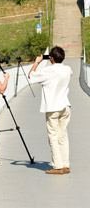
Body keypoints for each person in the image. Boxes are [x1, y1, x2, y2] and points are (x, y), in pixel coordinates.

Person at [28, 45, 72, 175]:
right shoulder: (68, 69)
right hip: (65, 106)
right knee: (62, 136)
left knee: (52, 137)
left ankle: (57, 166)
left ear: (51, 58)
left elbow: (31, 77)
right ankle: (65, 164)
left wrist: (37, 62)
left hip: (52, 108)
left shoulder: (48, 71)